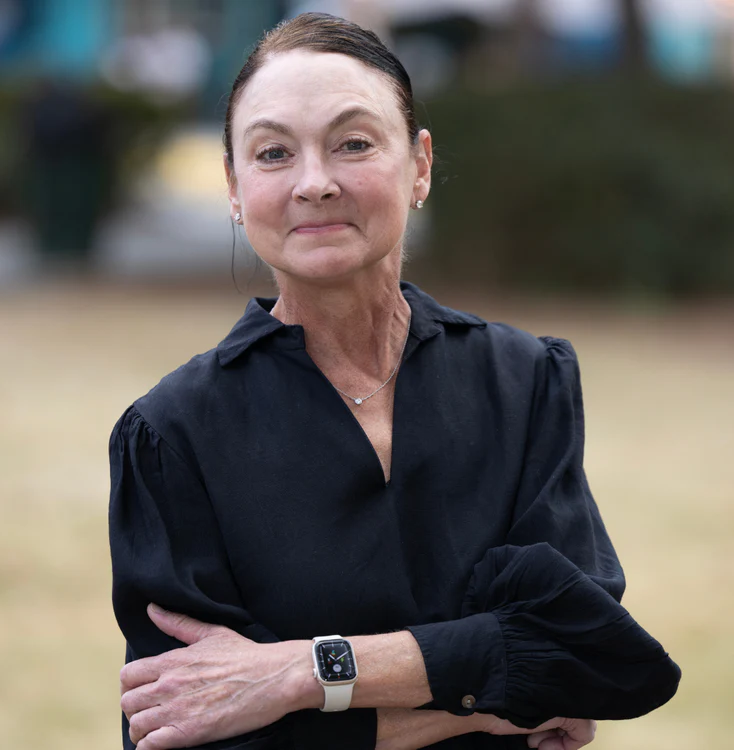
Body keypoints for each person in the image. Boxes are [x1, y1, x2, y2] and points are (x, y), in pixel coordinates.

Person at [109, 13, 680, 750]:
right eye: (274, 153)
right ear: (234, 187)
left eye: (353, 143)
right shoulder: (172, 433)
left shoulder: (523, 382)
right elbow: (178, 727)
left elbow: (593, 654)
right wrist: (477, 706)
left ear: (420, 166)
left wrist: (300, 673)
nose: (315, 183)